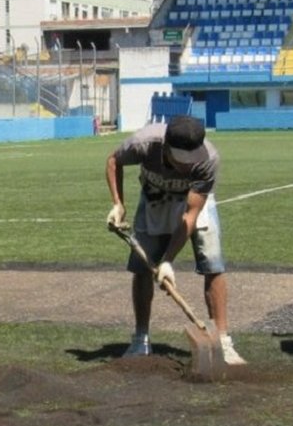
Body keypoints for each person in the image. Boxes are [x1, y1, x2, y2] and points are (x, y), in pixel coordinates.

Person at [105, 114, 245, 365]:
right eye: (182, 160)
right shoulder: (143, 143)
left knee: (213, 264)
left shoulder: (208, 161)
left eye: (192, 159)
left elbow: (190, 216)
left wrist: (168, 260)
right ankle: (141, 339)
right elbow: (113, 161)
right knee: (141, 268)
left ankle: (223, 341)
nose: (188, 166)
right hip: (154, 199)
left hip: (192, 203)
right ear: (166, 147)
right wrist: (118, 204)